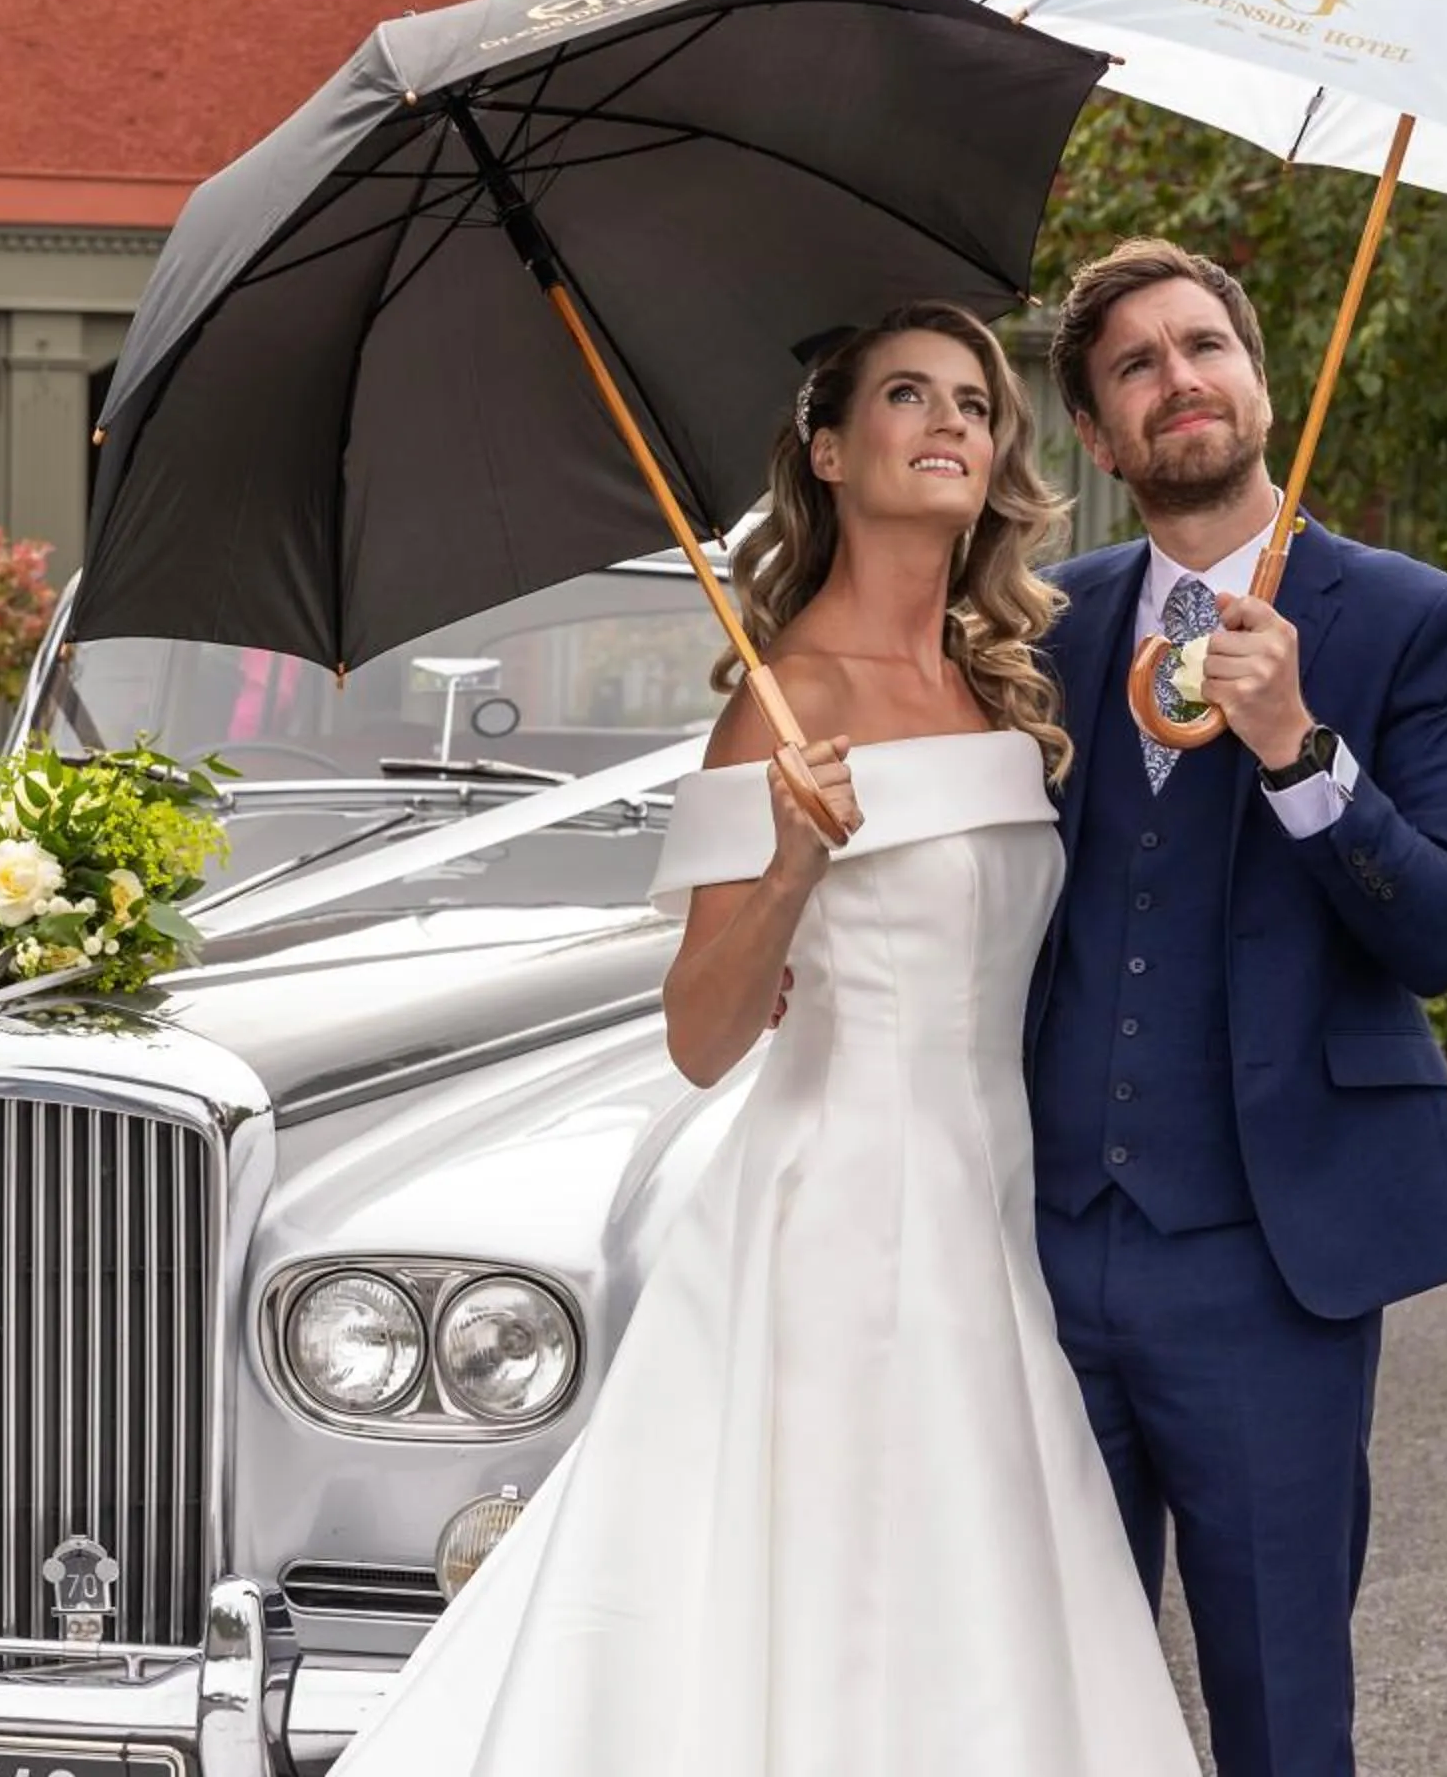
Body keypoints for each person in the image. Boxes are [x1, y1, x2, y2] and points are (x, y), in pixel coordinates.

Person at [329, 300, 1203, 1775]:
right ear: (829, 449)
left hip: (988, 1212)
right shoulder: (780, 704)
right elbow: (699, 1033)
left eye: (976, 406)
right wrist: (793, 866)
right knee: (839, 1597)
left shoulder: (1003, 687)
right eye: (909, 398)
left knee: (977, 1603)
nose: (950, 425)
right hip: (835, 1221)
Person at [1026, 238, 1447, 1777]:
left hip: (1267, 1265)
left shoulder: (1417, 622)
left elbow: (1444, 933)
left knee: (1281, 1708)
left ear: (1259, 379)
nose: (1180, 381)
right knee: (1041, 1691)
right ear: (1099, 438)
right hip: (1035, 1250)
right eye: (1135, 367)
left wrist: (1303, 751)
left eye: (1202, 347)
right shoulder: (1047, 625)